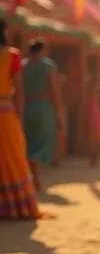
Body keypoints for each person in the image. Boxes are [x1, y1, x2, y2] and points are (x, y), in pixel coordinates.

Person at [0, 20, 52, 218]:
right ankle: (16, 206)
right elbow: (19, 90)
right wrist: (18, 116)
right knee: (13, 156)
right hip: (5, 112)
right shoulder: (11, 55)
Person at [21, 37, 63, 190]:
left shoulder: (23, 66)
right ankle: (37, 179)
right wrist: (58, 112)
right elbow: (53, 90)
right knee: (43, 142)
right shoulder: (48, 66)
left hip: (28, 107)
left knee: (31, 142)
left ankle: (34, 178)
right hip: (44, 107)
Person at [85, 73, 100, 167]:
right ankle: (95, 158)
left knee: (91, 134)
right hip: (96, 110)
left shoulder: (89, 88)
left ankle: (92, 158)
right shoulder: (98, 88)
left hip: (90, 110)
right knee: (97, 133)